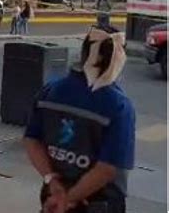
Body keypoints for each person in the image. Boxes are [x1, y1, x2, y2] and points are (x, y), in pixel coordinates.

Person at [24, 25, 135, 213]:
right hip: (98, 203)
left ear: (83, 53)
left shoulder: (50, 91)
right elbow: (107, 169)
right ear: (118, 60)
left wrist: (52, 180)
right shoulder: (119, 106)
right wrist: (69, 198)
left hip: (52, 196)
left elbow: (32, 140)